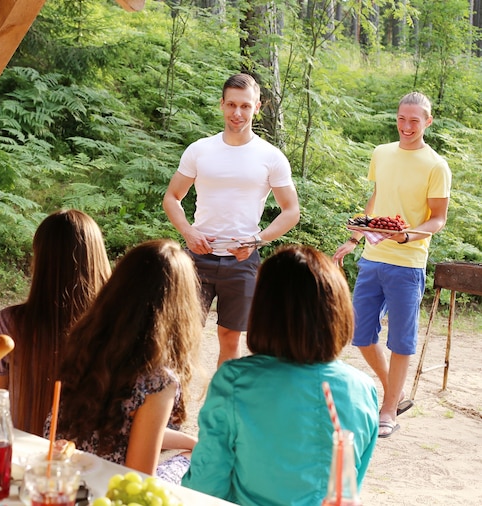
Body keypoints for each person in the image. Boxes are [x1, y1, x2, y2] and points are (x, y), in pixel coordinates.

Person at [182, 244, 379, 505]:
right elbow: (350, 483)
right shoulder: (363, 389)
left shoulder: (234, 380)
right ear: (338, 313)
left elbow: (205, 486)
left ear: (262, 310)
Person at [332, 91, 451, 439]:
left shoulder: (436, 165)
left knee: (401, 340)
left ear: (427, 121)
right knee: (360, 333)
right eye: (402, 118)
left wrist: (408, 236)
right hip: (373, 258)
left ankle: (388, 411)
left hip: (409, 262)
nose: (407, 126)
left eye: (415, 120)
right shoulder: (381, 153)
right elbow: (376, 200)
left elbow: (438, 219)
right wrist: (355, 238)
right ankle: (394, 392)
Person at [163, 73, 300, 367]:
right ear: (222, 105)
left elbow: (291, 211)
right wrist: (188, 233)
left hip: (242, 260)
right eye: (232, 105)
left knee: (230, 337)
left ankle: (223, 405)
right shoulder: (200, 150)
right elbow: (172, 197)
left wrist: (257, 240)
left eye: (245, 106)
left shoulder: (271, 156)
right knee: (182, 336)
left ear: (257, 107)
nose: (238, 113)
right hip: (197, 256)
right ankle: (173, 407)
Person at [44, 239, 202, 483]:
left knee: (190, 450)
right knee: (189, 461)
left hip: (57, 476)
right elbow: (138, 479)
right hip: (104, 492)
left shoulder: (83, 343)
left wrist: (190, 441)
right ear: (180, 307)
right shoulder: (158, 381)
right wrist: (190, 452)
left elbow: (125, 432)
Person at [0, 209, 111, 436]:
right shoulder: (114, 327)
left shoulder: (11, 322)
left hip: (23, 456)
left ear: (39, 259)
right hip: (91, 463)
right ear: (97, 258)